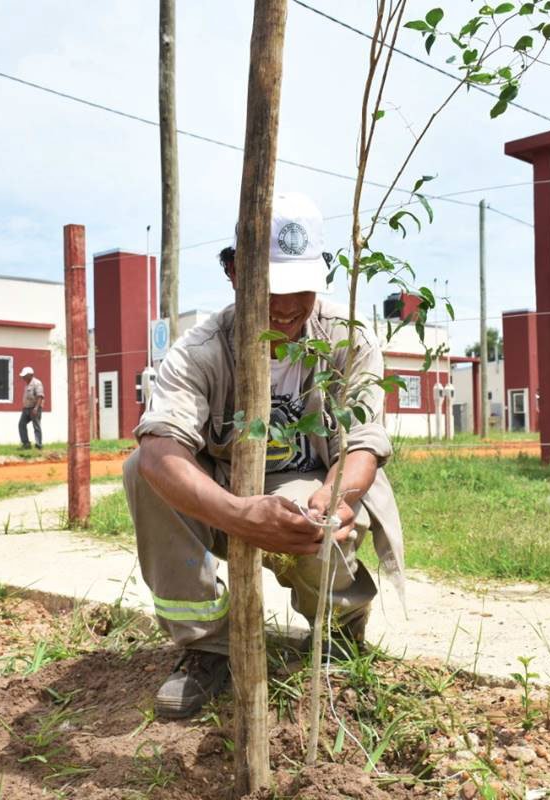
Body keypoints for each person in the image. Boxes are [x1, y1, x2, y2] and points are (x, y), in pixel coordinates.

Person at [125, 192, 405, 718]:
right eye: (271, 285)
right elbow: (160, 449)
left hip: (311, 480)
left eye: (301, 286)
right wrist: (239, 515)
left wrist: (334, 503)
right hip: (226, 489)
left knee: (312, 518)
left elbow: (364, 440)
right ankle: (206, 646)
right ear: (234, 271)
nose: (287, 305)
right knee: (141, 471)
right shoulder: (201, 349)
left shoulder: (347, 338)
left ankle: (339, 629)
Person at [18, 366, 45, 449]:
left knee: (36, 426)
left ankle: (38, 445)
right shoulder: (27, 384)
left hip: (34, 408)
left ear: (30, 375)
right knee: (21, 424)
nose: (23, 377)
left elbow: (40, 396)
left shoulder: (37, 383)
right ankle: (26, 444)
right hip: (26, 408)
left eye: (24, 375)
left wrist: (36, 408)